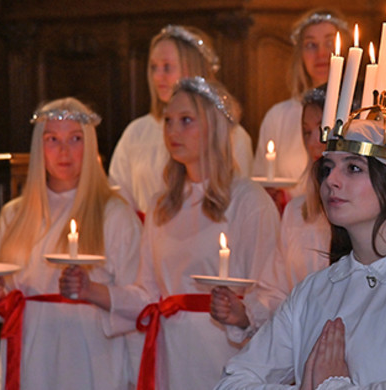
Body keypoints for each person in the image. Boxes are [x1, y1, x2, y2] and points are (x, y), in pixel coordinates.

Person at [215, 119, 386, 389]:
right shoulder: (314, 289)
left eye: (353, 168)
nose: (331, 181)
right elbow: (233, 381)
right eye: (327, 169)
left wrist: (330, 386)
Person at [62, 77, 279, 389]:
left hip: (225, 353)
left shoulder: (249, 201)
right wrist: (90, 289)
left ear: (214, 128)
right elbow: (148, 293)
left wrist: (242, 313)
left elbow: (274, 292)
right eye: (168, 121)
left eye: (186, 121)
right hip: (171, 353)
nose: (172, 132)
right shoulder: (162, 204)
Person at [0, 98, 142, 390]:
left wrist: (91, 290)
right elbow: (0, 296)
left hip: (91, 359)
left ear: (90, 146)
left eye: (75, 139)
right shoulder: (14, 215)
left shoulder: (114, 214)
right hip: (31, 354)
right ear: (38, 147)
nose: (64, 151)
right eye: (52, 139)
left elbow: (140, 299)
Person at [210, 87, 331, 339]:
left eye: (321, 130)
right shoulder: (299, 212)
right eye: (306, 132)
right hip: (306, 347)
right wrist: (244, 314)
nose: (312, 143)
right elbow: (276, 291)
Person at [109, 25, 253, 218]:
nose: (158, 77)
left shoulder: (232, 135)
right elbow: (118, 194)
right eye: (154, 68)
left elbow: (238, 198)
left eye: (167, 67)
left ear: (194, 69)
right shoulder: (136, 132)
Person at [251, 9, 348, 203]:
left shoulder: (361, 111)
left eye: (330, 43)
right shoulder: (278, 116)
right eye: (311, 45)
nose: (321, 54)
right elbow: (260, 185)